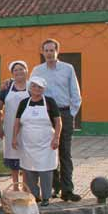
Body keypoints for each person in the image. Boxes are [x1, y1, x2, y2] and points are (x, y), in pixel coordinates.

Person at [31, 39, 82, 202]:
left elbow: (75, 93)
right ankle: (56, 185)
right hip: (45, 115)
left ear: (57, 51)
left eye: (52, 50)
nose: (49, 53)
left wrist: (71, 113)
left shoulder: (68, 69)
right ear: (42, 52)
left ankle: (67, 190)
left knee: (65, 153)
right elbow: (29, 89)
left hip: (64, 113)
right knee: (48, 152)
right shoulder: (37, 71)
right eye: (46, 50)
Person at [12, 76, 62, 206]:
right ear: (30, 87)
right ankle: (34, 196)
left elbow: (58, 122)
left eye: (39, 87)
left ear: (43, 89)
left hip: (47, 144)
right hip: (28, 144)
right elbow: (17, 122)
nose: (36, 89)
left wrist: (56, 138)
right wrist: (14, 138)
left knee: (45, 170)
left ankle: (46, 197)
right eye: (34, 86)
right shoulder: (24, 103)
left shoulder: (50, 102)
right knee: (29, 171)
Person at [0, 60, 30, 189]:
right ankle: (16, 185)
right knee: (13, 155)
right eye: (16, 70)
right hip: (10, 127)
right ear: (12, 73)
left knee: (26, 155)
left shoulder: (31, 86)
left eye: (21, 69)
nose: (19, 72)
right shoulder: (7, 88)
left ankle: (26, 185)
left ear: (26, 71)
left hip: (27, 127)